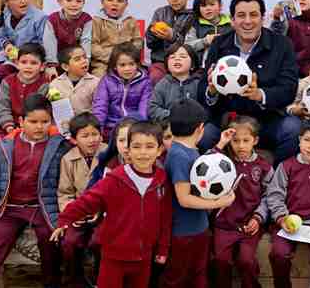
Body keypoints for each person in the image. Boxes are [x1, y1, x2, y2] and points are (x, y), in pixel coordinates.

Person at [0, 94, 70, 288]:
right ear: (21, 121)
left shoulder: (59, 148)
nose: (39, 127)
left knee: (49, 243)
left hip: (42, 207)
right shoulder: (4, 149)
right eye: (33, 121)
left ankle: (51, 283)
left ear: (52, 121)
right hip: (11, 207)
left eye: (45, 121)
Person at [53, 121, 171, 288]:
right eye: (136, 146)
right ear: (128, 150)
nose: (143, 152)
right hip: (114, 256)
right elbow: (88, 200)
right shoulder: (116, 178)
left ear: (159, 150)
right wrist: (65, 219)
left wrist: (162, 249)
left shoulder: (161, 180)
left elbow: (165, 218)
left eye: (149, 146)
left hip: (144, 257)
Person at [198, 0, 300, 164]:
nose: (247, 21)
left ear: (263, 18)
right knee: (205, 135)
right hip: (227, 121)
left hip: (266, 121)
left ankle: (274, 178)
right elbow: (201, 91)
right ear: (232, 20)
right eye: (241, 15)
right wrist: (211, 90)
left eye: (253, 15)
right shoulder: (219, 44)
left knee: (293, 129)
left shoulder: (282, 44)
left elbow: (289, 88)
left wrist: (260, 94)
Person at [160, 99, 235, 288]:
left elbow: (201, 170)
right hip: (183, 233)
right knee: (178, 279)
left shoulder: (188, 150)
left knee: (198, 277)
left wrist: (220, 145)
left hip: (197, 229)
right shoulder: (178, 155)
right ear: (200, 128)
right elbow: (184, 199)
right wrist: (219, 203)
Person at [267, 119, 310, 288]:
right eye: (306, 140)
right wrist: (282, 218)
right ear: (299, 141)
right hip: (287, 223)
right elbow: (275, 196)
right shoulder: (286, 166)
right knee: (279, 254)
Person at [211, 114, 273, 288]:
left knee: (247, 262)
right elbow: (205, 162)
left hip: (249, 226)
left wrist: (258, 218)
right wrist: (221, 143)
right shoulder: (222, 161)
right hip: (224, 224)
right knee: (221, 262)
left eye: (246, 140)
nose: (241, 145)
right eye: (236, 141)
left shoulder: (264, 166)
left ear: (255, 140)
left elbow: (270, 196)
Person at [56, 112, 106, 288]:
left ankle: (101, 279)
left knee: (99, 242)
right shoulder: (68, 159)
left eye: (95, 134)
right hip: (78, 213)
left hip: (104, 213)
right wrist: (73, 214)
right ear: (74, 139)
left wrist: (99, 213)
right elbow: (65, 193)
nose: (91, 140)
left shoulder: (108, 154)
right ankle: (75, 280)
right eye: (85, 136)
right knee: (69, 243)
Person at [92, 42, 152, 138]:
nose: (127, 68)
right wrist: (98, 130)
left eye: (131, 64)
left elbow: (143, 109)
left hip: (133, 127)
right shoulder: (106, 81)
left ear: (137, 64)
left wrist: (139, 129)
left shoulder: (145, 82)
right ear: (115, 66)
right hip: (111, 127)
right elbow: (100, 106)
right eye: (122, 65)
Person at [0, 0, 48, 80]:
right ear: (6, 2)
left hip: (30, 61)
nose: (23, 1)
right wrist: (7, 45)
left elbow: (45, 46)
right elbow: (1, 35)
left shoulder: (40, 18)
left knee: (1, 74)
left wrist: (23, 54)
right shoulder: (6, 13)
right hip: (10, 58)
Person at [146, 0, 194, 84]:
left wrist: (171, 36)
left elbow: (190, 44)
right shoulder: (160, 12)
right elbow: (149, 43)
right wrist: (152, 32)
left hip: (183, 63)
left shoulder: (193, 16)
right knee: (154, 77)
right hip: (160, 62)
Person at [91, 0, 143, 77]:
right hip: (103, 64)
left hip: (127, 62)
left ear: (126, 4)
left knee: (139, 78)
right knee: (98, 79)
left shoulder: (131, 21)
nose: (114, 3)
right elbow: (93, 45)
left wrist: (127, 56)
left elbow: (138, 41)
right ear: (102, 2)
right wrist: (112, 56)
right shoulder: (97, 21)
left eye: (120, 0)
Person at [0, 43, 49, 134]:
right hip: (8, 126)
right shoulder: (8, 81)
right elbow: (3, 106)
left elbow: (38, 110)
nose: (28, 66)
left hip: (34, 126)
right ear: (17, 64)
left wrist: (27, 126)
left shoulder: (44, 84)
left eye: (34, 63)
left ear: (42, 67)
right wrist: (8, 125)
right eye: (23, 62)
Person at [271, 0, 310, 77]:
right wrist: (276, 18)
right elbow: (275, 39)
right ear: (293, 0)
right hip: (289, 72)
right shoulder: (288, 21)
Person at [42, 0, 93, 70]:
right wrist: (51, 65)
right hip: (57, 61)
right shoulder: (52, 19)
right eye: (69, 0)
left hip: (78, 61)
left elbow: (86, 41)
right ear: (60, 1)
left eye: (79, 1)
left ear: (84, 2)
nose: (74, 4)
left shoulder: (86, 19)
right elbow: (49, 42)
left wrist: (86, 61)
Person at [149, 44, 201, 122]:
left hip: (194, 125)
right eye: (172, 57)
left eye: (182, 57)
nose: (177, 59)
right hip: (168, 126)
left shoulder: (198, 83)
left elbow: (205, 108)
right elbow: (153, 108)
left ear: (193, 64)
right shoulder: (162, 84)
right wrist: (171, 115)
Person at [184, 0, 232, 69]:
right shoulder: (195, 25)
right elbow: (187, 47)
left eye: (212, 4)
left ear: (220, 6)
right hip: (201, 69)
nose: (208, 8)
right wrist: (205, 41)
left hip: (228, 67)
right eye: (203, 5)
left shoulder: (231, 23)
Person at [49, 45, 101, 116]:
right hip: (65, 124)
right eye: (77, 59)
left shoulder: (96, 82)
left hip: (87, 124)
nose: (84, 61)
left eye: (85, 57)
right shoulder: (55, 84)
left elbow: (99, 109)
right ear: (65, 67)